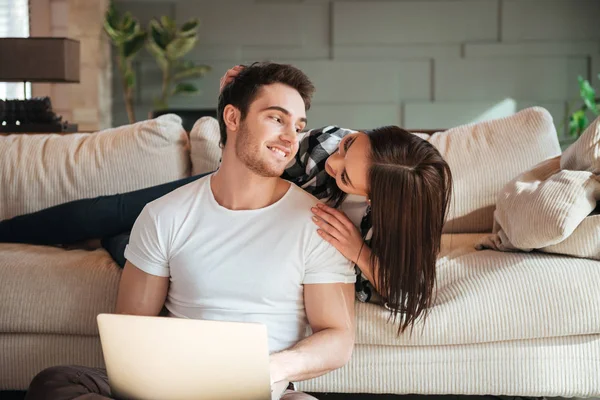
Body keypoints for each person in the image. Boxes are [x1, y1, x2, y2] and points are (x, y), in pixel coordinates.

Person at [1, 64, 453, 334]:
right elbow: (261, 155)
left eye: (348, 177)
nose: (334, 162)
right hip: (222, 198)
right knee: (110, 209)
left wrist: (359, 251)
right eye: (350, 146)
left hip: (267, 229)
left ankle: (118, 241)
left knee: (127, 241)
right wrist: (236, 100)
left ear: (379, 201)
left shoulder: (390, 225)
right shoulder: (330, 144)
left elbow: (410, 293)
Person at [24, 62, 356, 400]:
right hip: (170, 387)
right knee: (54, 383)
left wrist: (270, 368)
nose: (290, 138)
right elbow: (130, 331)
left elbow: (338, 338)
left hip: (262, 389)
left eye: (298, 126)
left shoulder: (317, 223)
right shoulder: (164, 215)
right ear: (233, 118)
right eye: (276, 118)